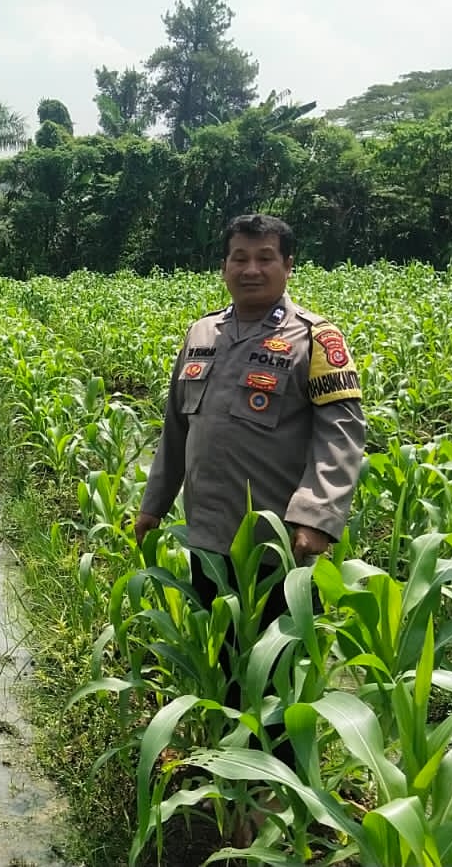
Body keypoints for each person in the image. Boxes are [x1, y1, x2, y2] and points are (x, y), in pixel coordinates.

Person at [133, 213, 366, 840]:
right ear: (225, 264)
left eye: (265, 257)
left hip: (276, 551)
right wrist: (156, 502)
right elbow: (176, 429)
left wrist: (317, 515)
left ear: (288, 266)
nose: (251, 269)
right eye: (240, 257)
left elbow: (342, 436)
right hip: (208, 543)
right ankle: (230, 783)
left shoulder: (317, 340)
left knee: (279, 677)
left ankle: (277, 801)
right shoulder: (202, 333)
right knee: (229, 669)